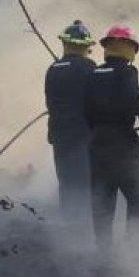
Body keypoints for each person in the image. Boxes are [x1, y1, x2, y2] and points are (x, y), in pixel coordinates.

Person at [85, 25, 139, 249]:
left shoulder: (94, 73)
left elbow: (86, 110)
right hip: (124, 146)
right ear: (129, 48)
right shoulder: (127, 72)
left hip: (97, 145)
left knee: (103, 203)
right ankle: (134, 253)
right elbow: (133, 96)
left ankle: (104, 252)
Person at [44, 20, 98, 224]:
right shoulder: (90, 67)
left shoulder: (53, 69)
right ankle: (86, 225)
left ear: (65, 44)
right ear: (86, 47)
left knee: (66, 181)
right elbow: (97, 101)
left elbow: (50, 102)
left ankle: (68, 224)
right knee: (86, 181)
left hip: (59, 135)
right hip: (85, 135)